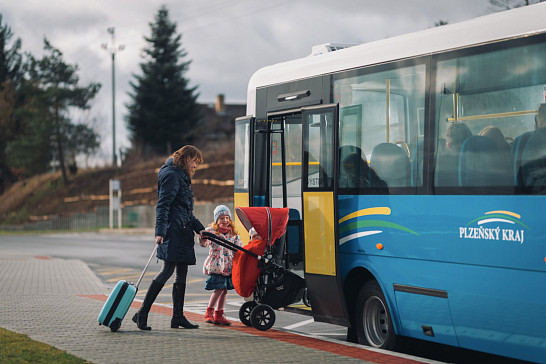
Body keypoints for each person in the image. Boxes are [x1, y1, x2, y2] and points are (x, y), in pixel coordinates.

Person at [132, 145, 205, 331]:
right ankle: (142, 312)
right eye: (194, 161)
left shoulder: (180, 175)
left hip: (181, 230)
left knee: (181, 273)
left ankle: (178, 317)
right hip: (173, 232)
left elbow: (185, 210)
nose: (196, 165)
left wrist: (201, 230)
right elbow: (163, 204)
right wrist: (160, 231)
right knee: (167, 271)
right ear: (185, 158)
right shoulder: (172, 175)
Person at [199, 205, 242, 326]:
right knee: (219, 289)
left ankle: (219, 314)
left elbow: (239, 248)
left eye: (227, 217)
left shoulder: (233, 234)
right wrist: (202, 238)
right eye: (222, 218)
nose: (225, 220)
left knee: (224, 291)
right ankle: (209, 312)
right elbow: (204, 244)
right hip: (217, 266)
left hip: (228, 266)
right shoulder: (212, 232)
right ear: (217, 220)